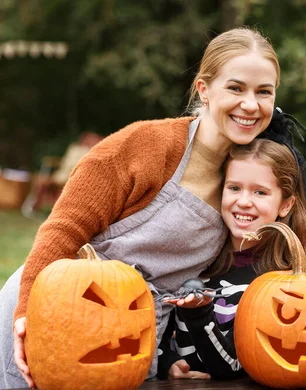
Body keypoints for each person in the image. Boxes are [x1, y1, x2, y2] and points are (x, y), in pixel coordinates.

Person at [0, 26, 284, 389]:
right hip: (60, 321)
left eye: (264, 92)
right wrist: (25, 313)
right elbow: (62, 230)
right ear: (204, 89)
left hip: (135, 342)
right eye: (235, 88)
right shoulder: (144, 146)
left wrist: (174, 358)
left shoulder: (245, 177)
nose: (250, 104)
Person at [158, 137, 306, 380]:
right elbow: (159, 332)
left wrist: (198, 313)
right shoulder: (193, 260)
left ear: (285, 205)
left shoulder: (285, 284)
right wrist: (167, 361)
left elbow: (234, 366)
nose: (243, 202)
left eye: (260, 192)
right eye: (234, 188)